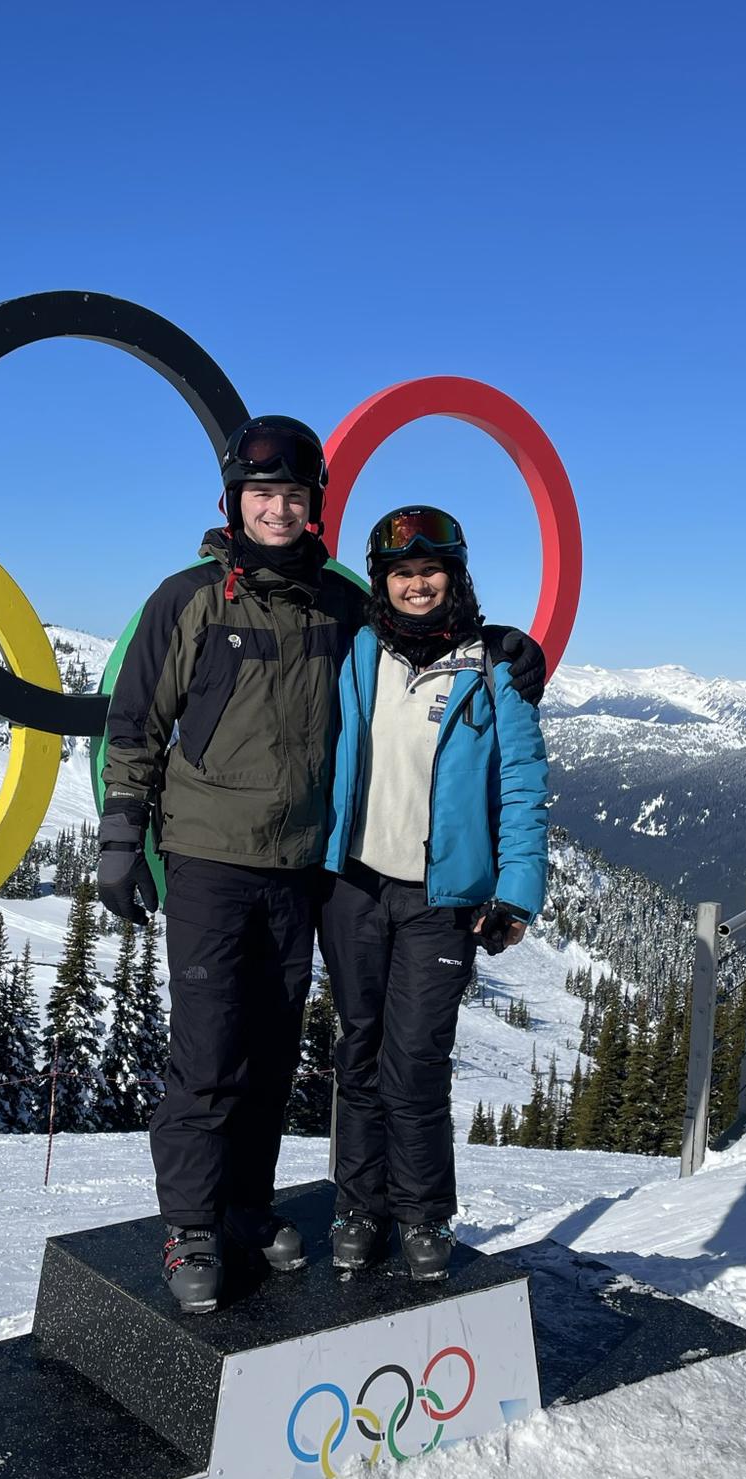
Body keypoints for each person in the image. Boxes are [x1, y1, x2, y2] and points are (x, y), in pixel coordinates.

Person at [96, 419, 547, 1313]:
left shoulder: (341, 604)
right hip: (210, 861)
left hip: (304, 867)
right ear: (235, 501)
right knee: (208, 1051)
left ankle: (246, 1207)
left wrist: (508, 647)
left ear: (315, 508)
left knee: (272, 1054)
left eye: (293, 496)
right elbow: (136, 722)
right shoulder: (188, 599)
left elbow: (423, 635)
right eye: (261, 494)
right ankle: (191, 1227)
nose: (277, 509)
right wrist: (120, 837)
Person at [318, 505, 549, 1281]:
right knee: (359, 1050)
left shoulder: (494, 669)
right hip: (353, 885)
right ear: (381, 582)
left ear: (455, 577)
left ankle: (422, 1212)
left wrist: (515, 893)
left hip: (439, 900)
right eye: (402, 574)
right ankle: (358, 1206)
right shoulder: (355, 651)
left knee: (415, 1059)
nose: (417, 585)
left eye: (431, 571)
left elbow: (523, 785)